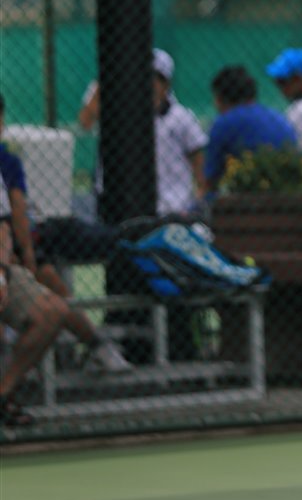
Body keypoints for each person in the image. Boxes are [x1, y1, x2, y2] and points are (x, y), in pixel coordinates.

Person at [0, 95, 131, 376]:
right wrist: (27, 253)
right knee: (51, 287)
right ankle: (96, 345)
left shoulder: (7, 160)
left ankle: (96, 345)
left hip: (23, 240)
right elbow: (16, 211)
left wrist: (26, 251)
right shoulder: (6, 160)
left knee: (52, 287)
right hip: (18, 244)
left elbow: (18, 212)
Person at [204, 65, 298, 193]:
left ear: (221, 98)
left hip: (248, 196)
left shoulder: (223, 123)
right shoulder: (276, 117)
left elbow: (210, 178)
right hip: (289, 190)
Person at [150, 49, 207, 216]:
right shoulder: (129, 117)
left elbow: (199, 162)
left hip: (177, 209)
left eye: (155, 78)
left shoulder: (182, 117)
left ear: (166, 83)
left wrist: (199, 198)